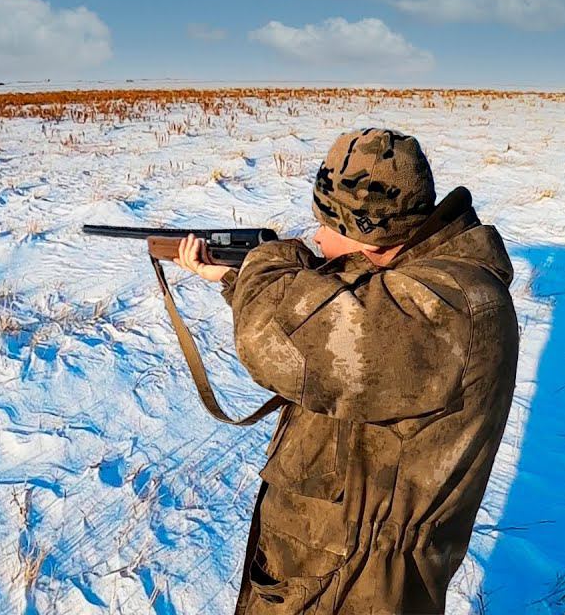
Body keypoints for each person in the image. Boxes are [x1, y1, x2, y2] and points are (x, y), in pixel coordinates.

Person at [173, 128, 519, 614]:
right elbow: (349, 318)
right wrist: (235, 273)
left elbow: (280, 339)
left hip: (354, 584)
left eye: (328, 226)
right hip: (335, 562)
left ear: (372, 235)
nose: (315, 237)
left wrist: (264, 265)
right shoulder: (422, 277)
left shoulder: (446, 306)